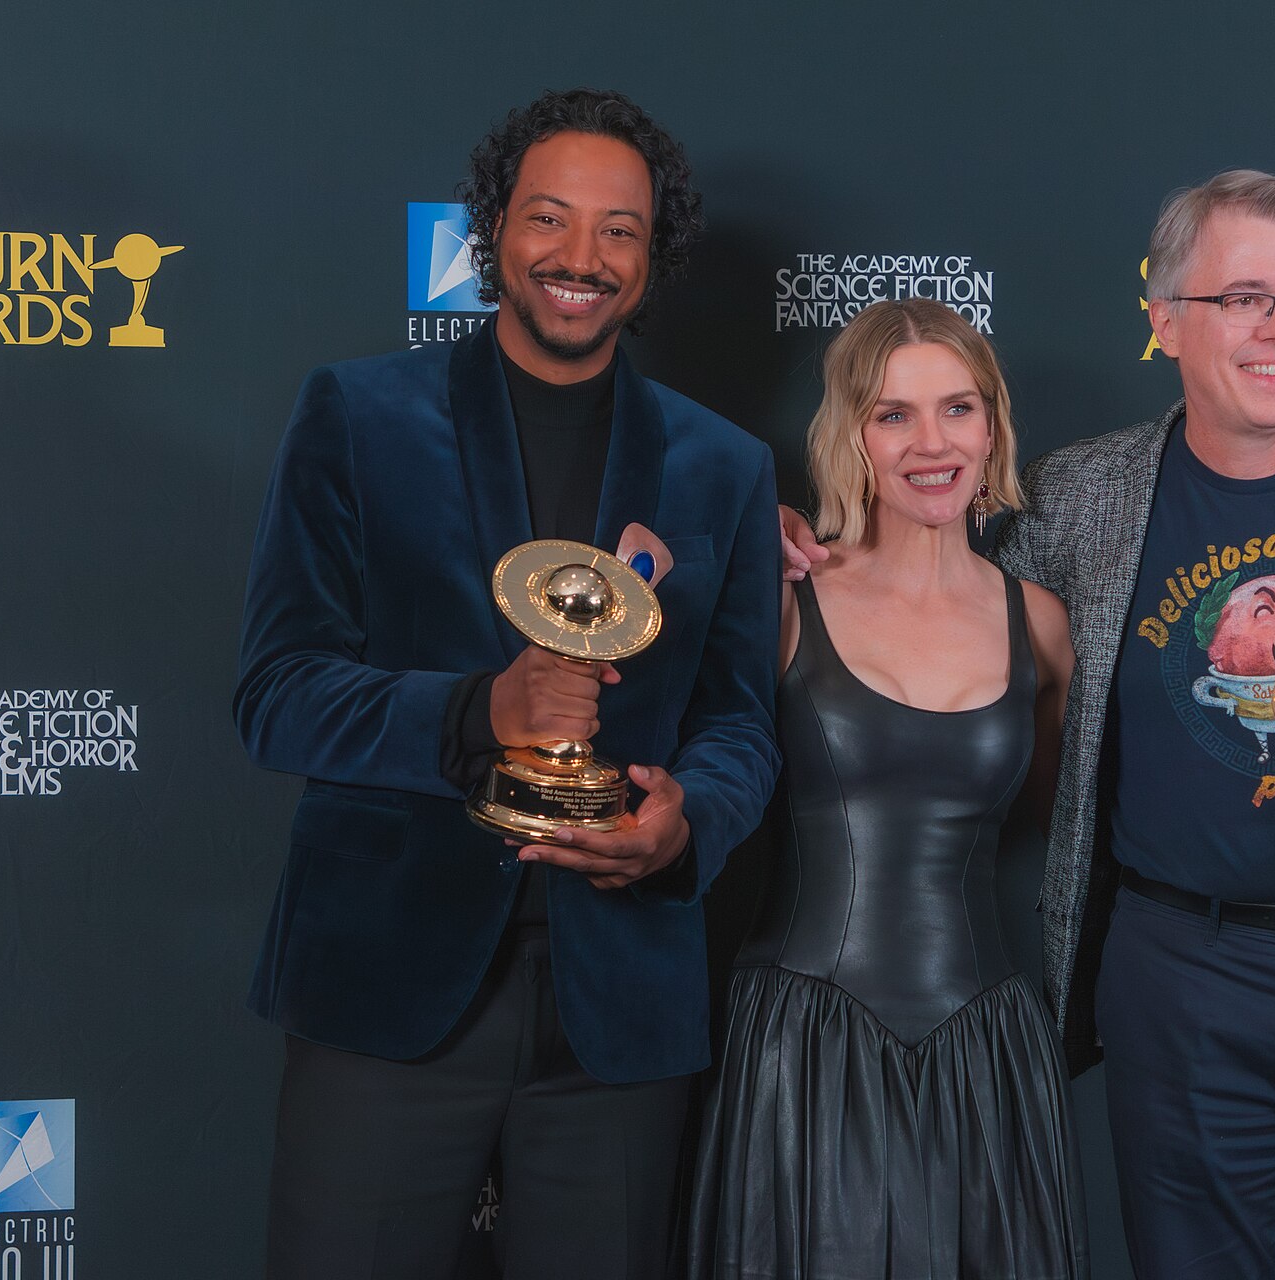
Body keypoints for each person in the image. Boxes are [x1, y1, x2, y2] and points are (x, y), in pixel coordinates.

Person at [782, 171, 1275, 1279]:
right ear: (1163, 320)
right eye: (1244, 296)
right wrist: (809, 544)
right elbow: (937, 576)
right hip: (1183, 976)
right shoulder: (1077, 499)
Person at [235, 88, 779, 1279]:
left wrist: (688, 826)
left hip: (617, 1006)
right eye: (548, 218)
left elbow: (739, 720)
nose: (580, 258)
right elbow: (275, 691)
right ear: (494, 232)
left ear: (653, 255)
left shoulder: (725, 465)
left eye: (619, 230)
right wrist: (482, 708)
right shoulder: (358, 413)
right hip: (388, 989)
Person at [690, 299, 1086, 1279]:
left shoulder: (1040, 621)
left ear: (992, 425)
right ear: (851, 434)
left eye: (957, 407)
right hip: (802, 1048)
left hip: (988, 1051)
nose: (931, 442)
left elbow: (1061, 823)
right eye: (894, 413)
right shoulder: (781, 601)